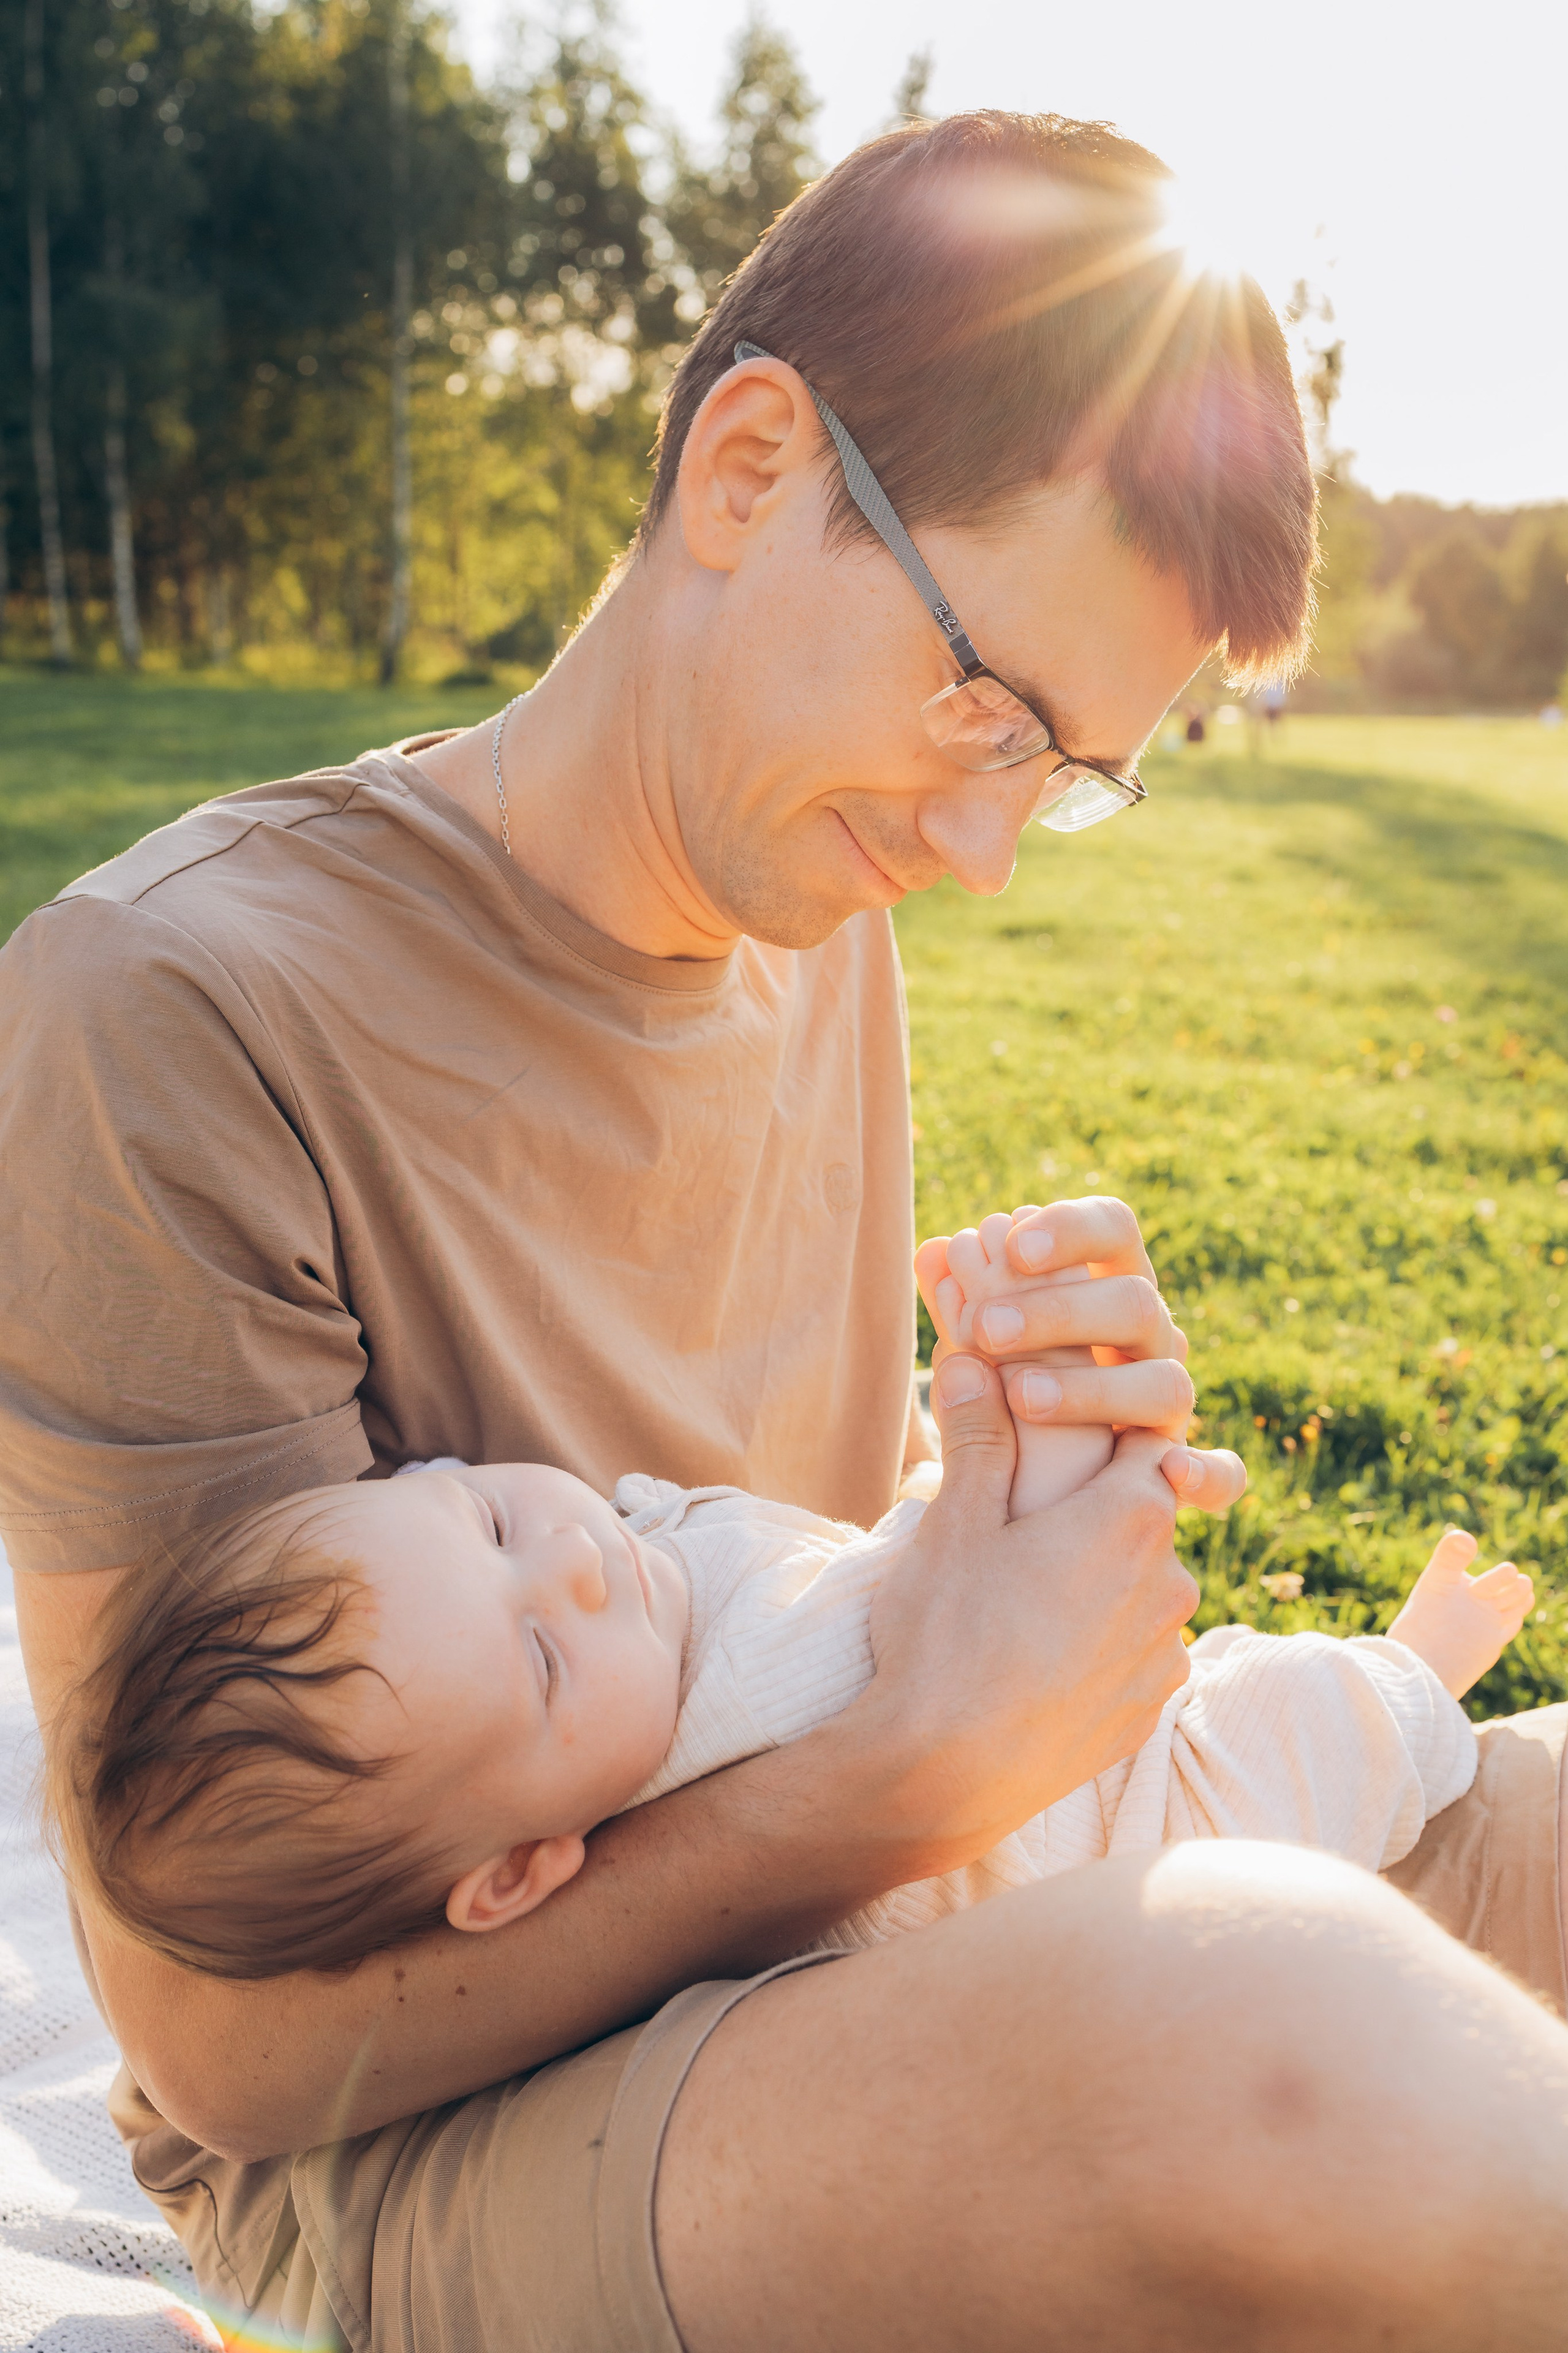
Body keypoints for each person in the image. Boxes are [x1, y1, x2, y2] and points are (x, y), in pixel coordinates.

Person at [4, 108, 1567, 2353]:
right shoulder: (163, 1007)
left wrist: (995, 1493)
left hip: (878, 1914)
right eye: (986, 708)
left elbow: (791, 1567)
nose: (987, 839)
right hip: (422, 2130)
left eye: (1064, 770)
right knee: (1262, 2039)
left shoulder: (811, 914)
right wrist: (916, 1759)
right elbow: (228, 2048)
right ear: (748, 469)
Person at [49, 1423, 1528, 1982]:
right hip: (1117, 1832)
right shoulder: (753, 1713)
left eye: (491, 1523)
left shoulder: (629, 1615)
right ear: (517, 1872)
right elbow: (930, 1593)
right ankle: (1415, 1673)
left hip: (1043, 1727)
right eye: (543, 1660)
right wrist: (1007, 1466)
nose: (570, 1560)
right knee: (1265, 1732)